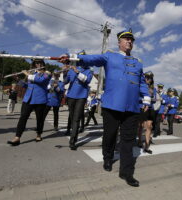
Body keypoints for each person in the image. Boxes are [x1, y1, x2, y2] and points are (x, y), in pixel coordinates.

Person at [59, 29, 150, 187]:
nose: (129, 41)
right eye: (126, 39)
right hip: (112, 104)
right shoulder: (110, 56)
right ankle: (107, 158)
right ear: (119, 42)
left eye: (131, 40)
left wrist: (147, 98)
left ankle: (126, 172)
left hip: (132, 106)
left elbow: (141, 82)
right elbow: (92, 59)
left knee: (129, 140)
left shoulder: (138, 62)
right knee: (110, 135)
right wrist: (73, 58)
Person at [7, 59, 50, 146]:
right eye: (36, 63)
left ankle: (39, 134)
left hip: (40, 99)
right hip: (28, 99)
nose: (38, 64)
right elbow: (27, 85)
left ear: (43, 64)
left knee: (39, 119)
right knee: (23, 117)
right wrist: (18, 80)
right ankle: (17, 137)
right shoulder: (32, 74)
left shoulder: (47, 73)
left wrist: (27, 74)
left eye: (39, 63)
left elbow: (40, 80)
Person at [62, 51, 93, 150]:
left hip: (81, 96)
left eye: (82, 59)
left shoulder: (89, 71)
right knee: (72, 117)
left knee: (76, 119)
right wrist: (65, 72)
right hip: (71, 95)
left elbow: (87, 80)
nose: (80, 61)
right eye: (79, 59)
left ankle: (73, 140)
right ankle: (72, 135)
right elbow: (66, 81)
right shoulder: (72, 69)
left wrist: (77, 72)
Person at [137, 71, 156, 154]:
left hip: (150, 108)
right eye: (147, 77)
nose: (148, 79)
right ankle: (139, 141)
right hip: (141, 107)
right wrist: (142, 100)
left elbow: (155, 99)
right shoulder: (139, 86)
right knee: (141, 126)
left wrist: (154, 100)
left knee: (149, 126)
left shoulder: (153, 89)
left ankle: (146, 146)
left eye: (150, 78)